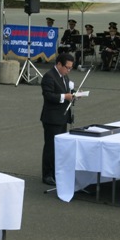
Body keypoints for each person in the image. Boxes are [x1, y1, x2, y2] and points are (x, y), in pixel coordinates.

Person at [40, 53, 75, 186]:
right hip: (52, 117)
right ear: (59, 64)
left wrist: (74, 95)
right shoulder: (49, 76)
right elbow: (48, 95)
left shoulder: (64, 76)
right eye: (67, 67)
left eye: (71, 68)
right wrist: (64, 97)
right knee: (50, 146)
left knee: (59, 147)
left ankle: (56, 172)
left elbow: (67, 91)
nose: (69, 70)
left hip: (62, 117)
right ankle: (47, 174)